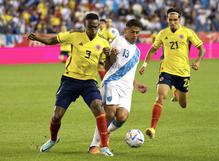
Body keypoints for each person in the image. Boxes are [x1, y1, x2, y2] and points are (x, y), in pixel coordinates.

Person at [28, 13, 114, 156]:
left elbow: (108, 65)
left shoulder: (104, 42)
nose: (93, 30)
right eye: (90, 27)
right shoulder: (74, 35)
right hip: (70, 80)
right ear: (85, 26)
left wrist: (111, 55)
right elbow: (52, 40)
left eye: (95, 27)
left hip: (89, 82)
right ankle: (53, 139)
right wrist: (37, 37)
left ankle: (104, 146)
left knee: (98, 107)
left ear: (99, 26)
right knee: (57, 115)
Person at [139, 8, 205, 139]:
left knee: (183, 104)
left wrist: (198, 61)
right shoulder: (163, 33)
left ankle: (176, 92)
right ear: (167, 20)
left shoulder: (187, 32)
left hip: (183, 72)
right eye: (170, 20)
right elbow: (152, 50)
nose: (173, 22)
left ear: (179, 19)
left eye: (175, 20)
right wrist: (145, 64)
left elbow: (202, 49)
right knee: (161, 96)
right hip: (166, 70)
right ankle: (152, 128)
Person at [88, 19, 148, 154]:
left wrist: (137, 84)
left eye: (137, 32)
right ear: (125, 30)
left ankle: (105, 133)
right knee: (110, 113)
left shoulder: (137, 52)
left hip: (127, 89)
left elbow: (129, 72)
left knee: (122, 117)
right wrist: (111, 56)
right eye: (132, 31)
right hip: (112, 82)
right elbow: (109, 65)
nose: (135, 35)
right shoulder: (118, 41)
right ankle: (94, 145)